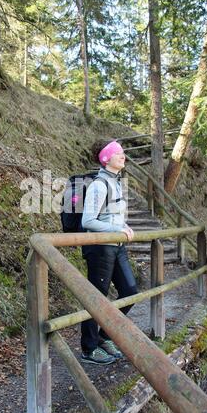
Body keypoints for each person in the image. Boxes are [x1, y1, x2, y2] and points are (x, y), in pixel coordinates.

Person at [80, 139, 138, 365]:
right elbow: (88, 221)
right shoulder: (99, 184)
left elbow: (114, 217)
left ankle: (104, 336)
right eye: (119, 153)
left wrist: (125, 226)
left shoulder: (116, 182)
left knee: (130, 291)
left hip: (117, 246)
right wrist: (116, 228)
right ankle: (89, 348)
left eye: (123, 153)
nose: (123, 156)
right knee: (95, 298)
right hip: (100, 248)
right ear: (106, 158)